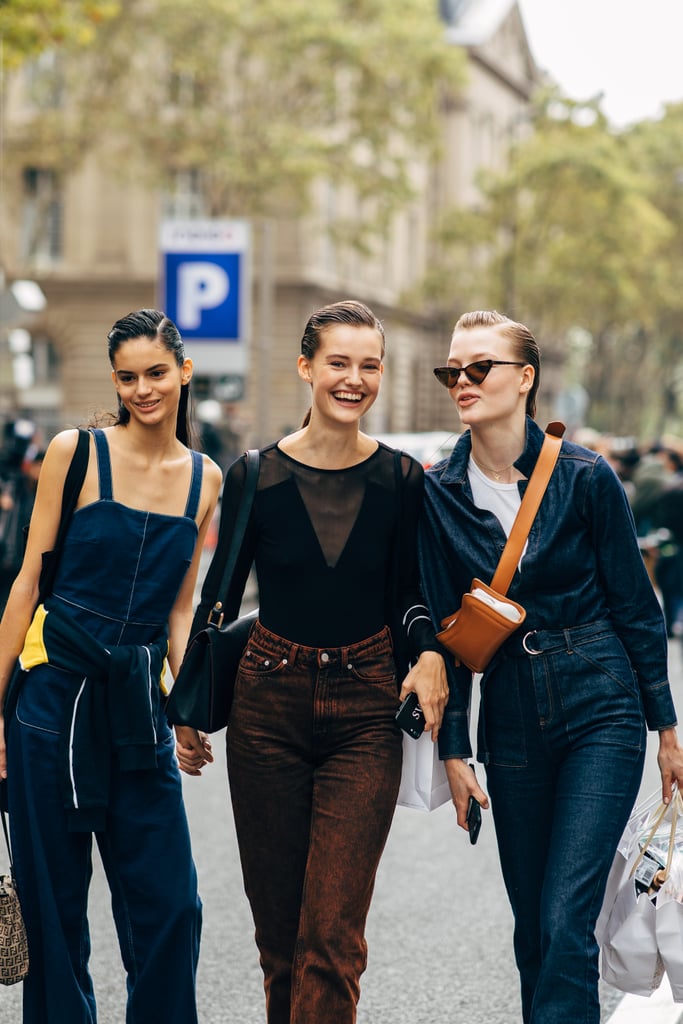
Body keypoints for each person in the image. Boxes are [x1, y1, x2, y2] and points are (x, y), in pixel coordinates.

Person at [417, 309, 683, 1024]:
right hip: (508, 714)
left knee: (566, 918)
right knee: (533, 926)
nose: (462, 382)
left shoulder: (584, 476)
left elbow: (634, 606)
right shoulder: (437, 493)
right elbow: (450, 632)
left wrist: (665, 727)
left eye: (479, 368)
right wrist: (453, 751)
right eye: (453, 371)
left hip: (600, 700)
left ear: (524, 378)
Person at [185, 299, 447, 1024]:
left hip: (365, 707)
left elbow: (410, 593)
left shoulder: (401, 480)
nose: (353, 378)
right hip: (266, 703)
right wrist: (188, 710)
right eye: (338, 362)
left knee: (330, 937)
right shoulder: (253, 474)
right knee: (278, 940)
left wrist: (426, 650)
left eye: (368, 365)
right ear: (306, 368)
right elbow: (218, 597)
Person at [0, 309, 222, 1023]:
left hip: (138, 708)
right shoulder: (76, 451)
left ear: (183, 371)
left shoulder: (206, 478)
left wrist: (186, 709)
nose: (142, 390)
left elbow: (179, 612)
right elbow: (28, 583)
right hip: (50, 702)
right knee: (54, 910)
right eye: (127, 377)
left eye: (156, 373)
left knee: (172, 905)